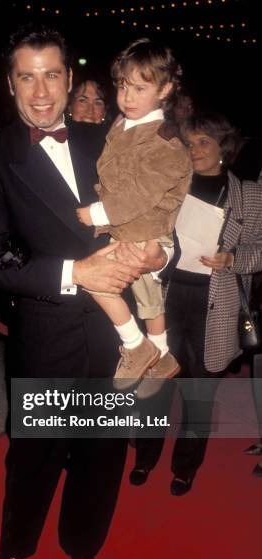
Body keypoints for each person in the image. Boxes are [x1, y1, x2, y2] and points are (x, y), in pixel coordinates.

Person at [0, 24, 170, 559]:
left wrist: (159, 250)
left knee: (101, 456)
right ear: (9, 84)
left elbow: (155, 210)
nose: (41, 91)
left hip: (116, 337)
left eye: (52, 74)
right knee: (33, 456)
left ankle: (82, 545)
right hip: (47, 331)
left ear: (70, 79)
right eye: (27, 76)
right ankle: (16, 547)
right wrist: (73, 274)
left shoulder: (105, 139)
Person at [130, 111, 262, 495]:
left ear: (224, 146)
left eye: (203, 142)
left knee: (199, 393)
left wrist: (234, 259)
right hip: (167, 297)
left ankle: (185, 466)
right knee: (156, 384)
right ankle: (145, 457)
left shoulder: (250, 195)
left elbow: (260, 247)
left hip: (215, 303)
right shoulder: (172, 185)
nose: (194, 150)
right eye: (188, 143)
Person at [76, 39, 192, 388]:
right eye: (123, 86)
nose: (127, 96)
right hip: (128, 229)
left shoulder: (164, 140)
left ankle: (142, 347)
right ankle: (157, 355)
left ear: (165, 89)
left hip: (143, 229)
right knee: (145, 298)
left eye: (140, 88)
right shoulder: (122, 125)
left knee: (122, 291)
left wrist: (99, 213)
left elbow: (140, 193)